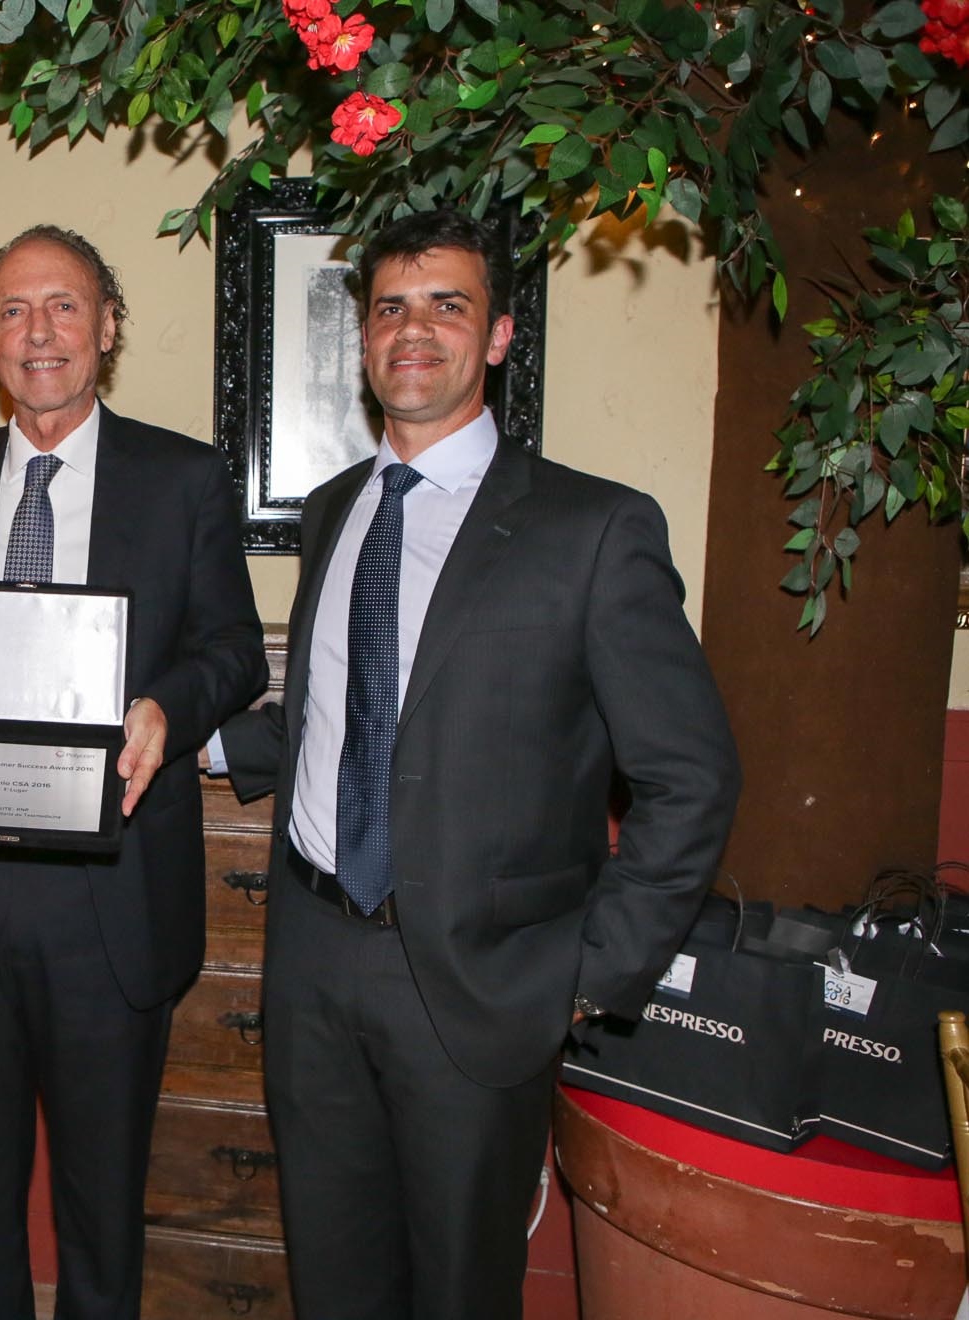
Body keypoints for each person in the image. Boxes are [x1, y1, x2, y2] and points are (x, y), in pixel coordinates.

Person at [213, 209, 741, 1318]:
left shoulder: (593, 530)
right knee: (334, 1282)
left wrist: (591, 974)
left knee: (460, 1289)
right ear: (365, 338)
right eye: (390, 309)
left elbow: (691, 777)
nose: (414, 331)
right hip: (313, 961)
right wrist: (190, 739)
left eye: (447, 306)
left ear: (499, 335)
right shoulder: (336, 510)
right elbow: (341, 715)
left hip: (483, 985)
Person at [0, 225, 267, 1318]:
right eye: (12, 310)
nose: (38, 332)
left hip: (111, 891)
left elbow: (234, 649)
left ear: (108, 327)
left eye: (63, 306)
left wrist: (167, 706)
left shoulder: (183, 479)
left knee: (101, 1199)